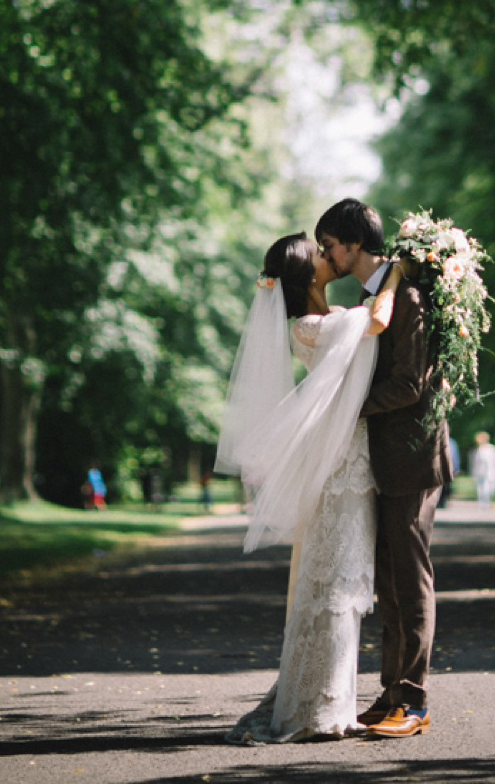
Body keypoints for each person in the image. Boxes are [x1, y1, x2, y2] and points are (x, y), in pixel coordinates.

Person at [215, 232, 404, 743]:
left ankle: (325, 699)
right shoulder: (312, 327)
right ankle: (316, 707)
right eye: (320, 254)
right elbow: (379, 319)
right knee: (334, 584)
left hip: (346, 464)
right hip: (338, 471)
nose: (329, 256)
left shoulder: (329, 319)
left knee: (340, 582)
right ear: (307, 275)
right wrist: (396, 274)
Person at [316, 198, 454, 739]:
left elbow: (408, 385)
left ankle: (415, 702)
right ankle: (390, 692)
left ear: (354, 243)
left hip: (414, 459)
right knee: (389, 583)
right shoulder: (372, 298)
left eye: (329, 245)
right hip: (381, 461)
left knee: (411, 580)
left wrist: (345, 406)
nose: (326, 254)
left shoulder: (410, 297)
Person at [469, 431, 495, 510]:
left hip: (490, 472)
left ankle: (487, 502)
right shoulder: (475, 450)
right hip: (479, 473)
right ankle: (483, 505)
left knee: (491, 489)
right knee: (481, 489)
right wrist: (472, 473)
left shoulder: (492, 449)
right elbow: (472, 462)